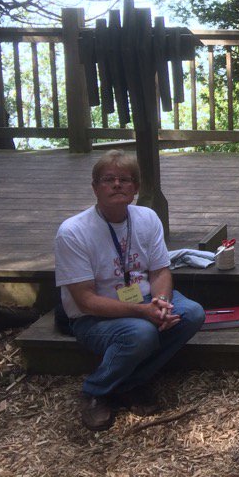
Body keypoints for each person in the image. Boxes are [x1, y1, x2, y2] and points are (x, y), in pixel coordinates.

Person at [54, 150, 205, 431]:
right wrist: (144, 313)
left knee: (192, 313)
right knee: (142, 332)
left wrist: (160, 303)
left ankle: (128, 383)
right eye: (108, 179)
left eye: (125, 179)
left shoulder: (146, 217)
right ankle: (95, 391)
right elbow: (85, 301)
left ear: (135, 188)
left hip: (143, 299)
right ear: (95, 187)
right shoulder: (73, 232)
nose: (117, 185)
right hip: (93, 317)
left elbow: (160, 270)